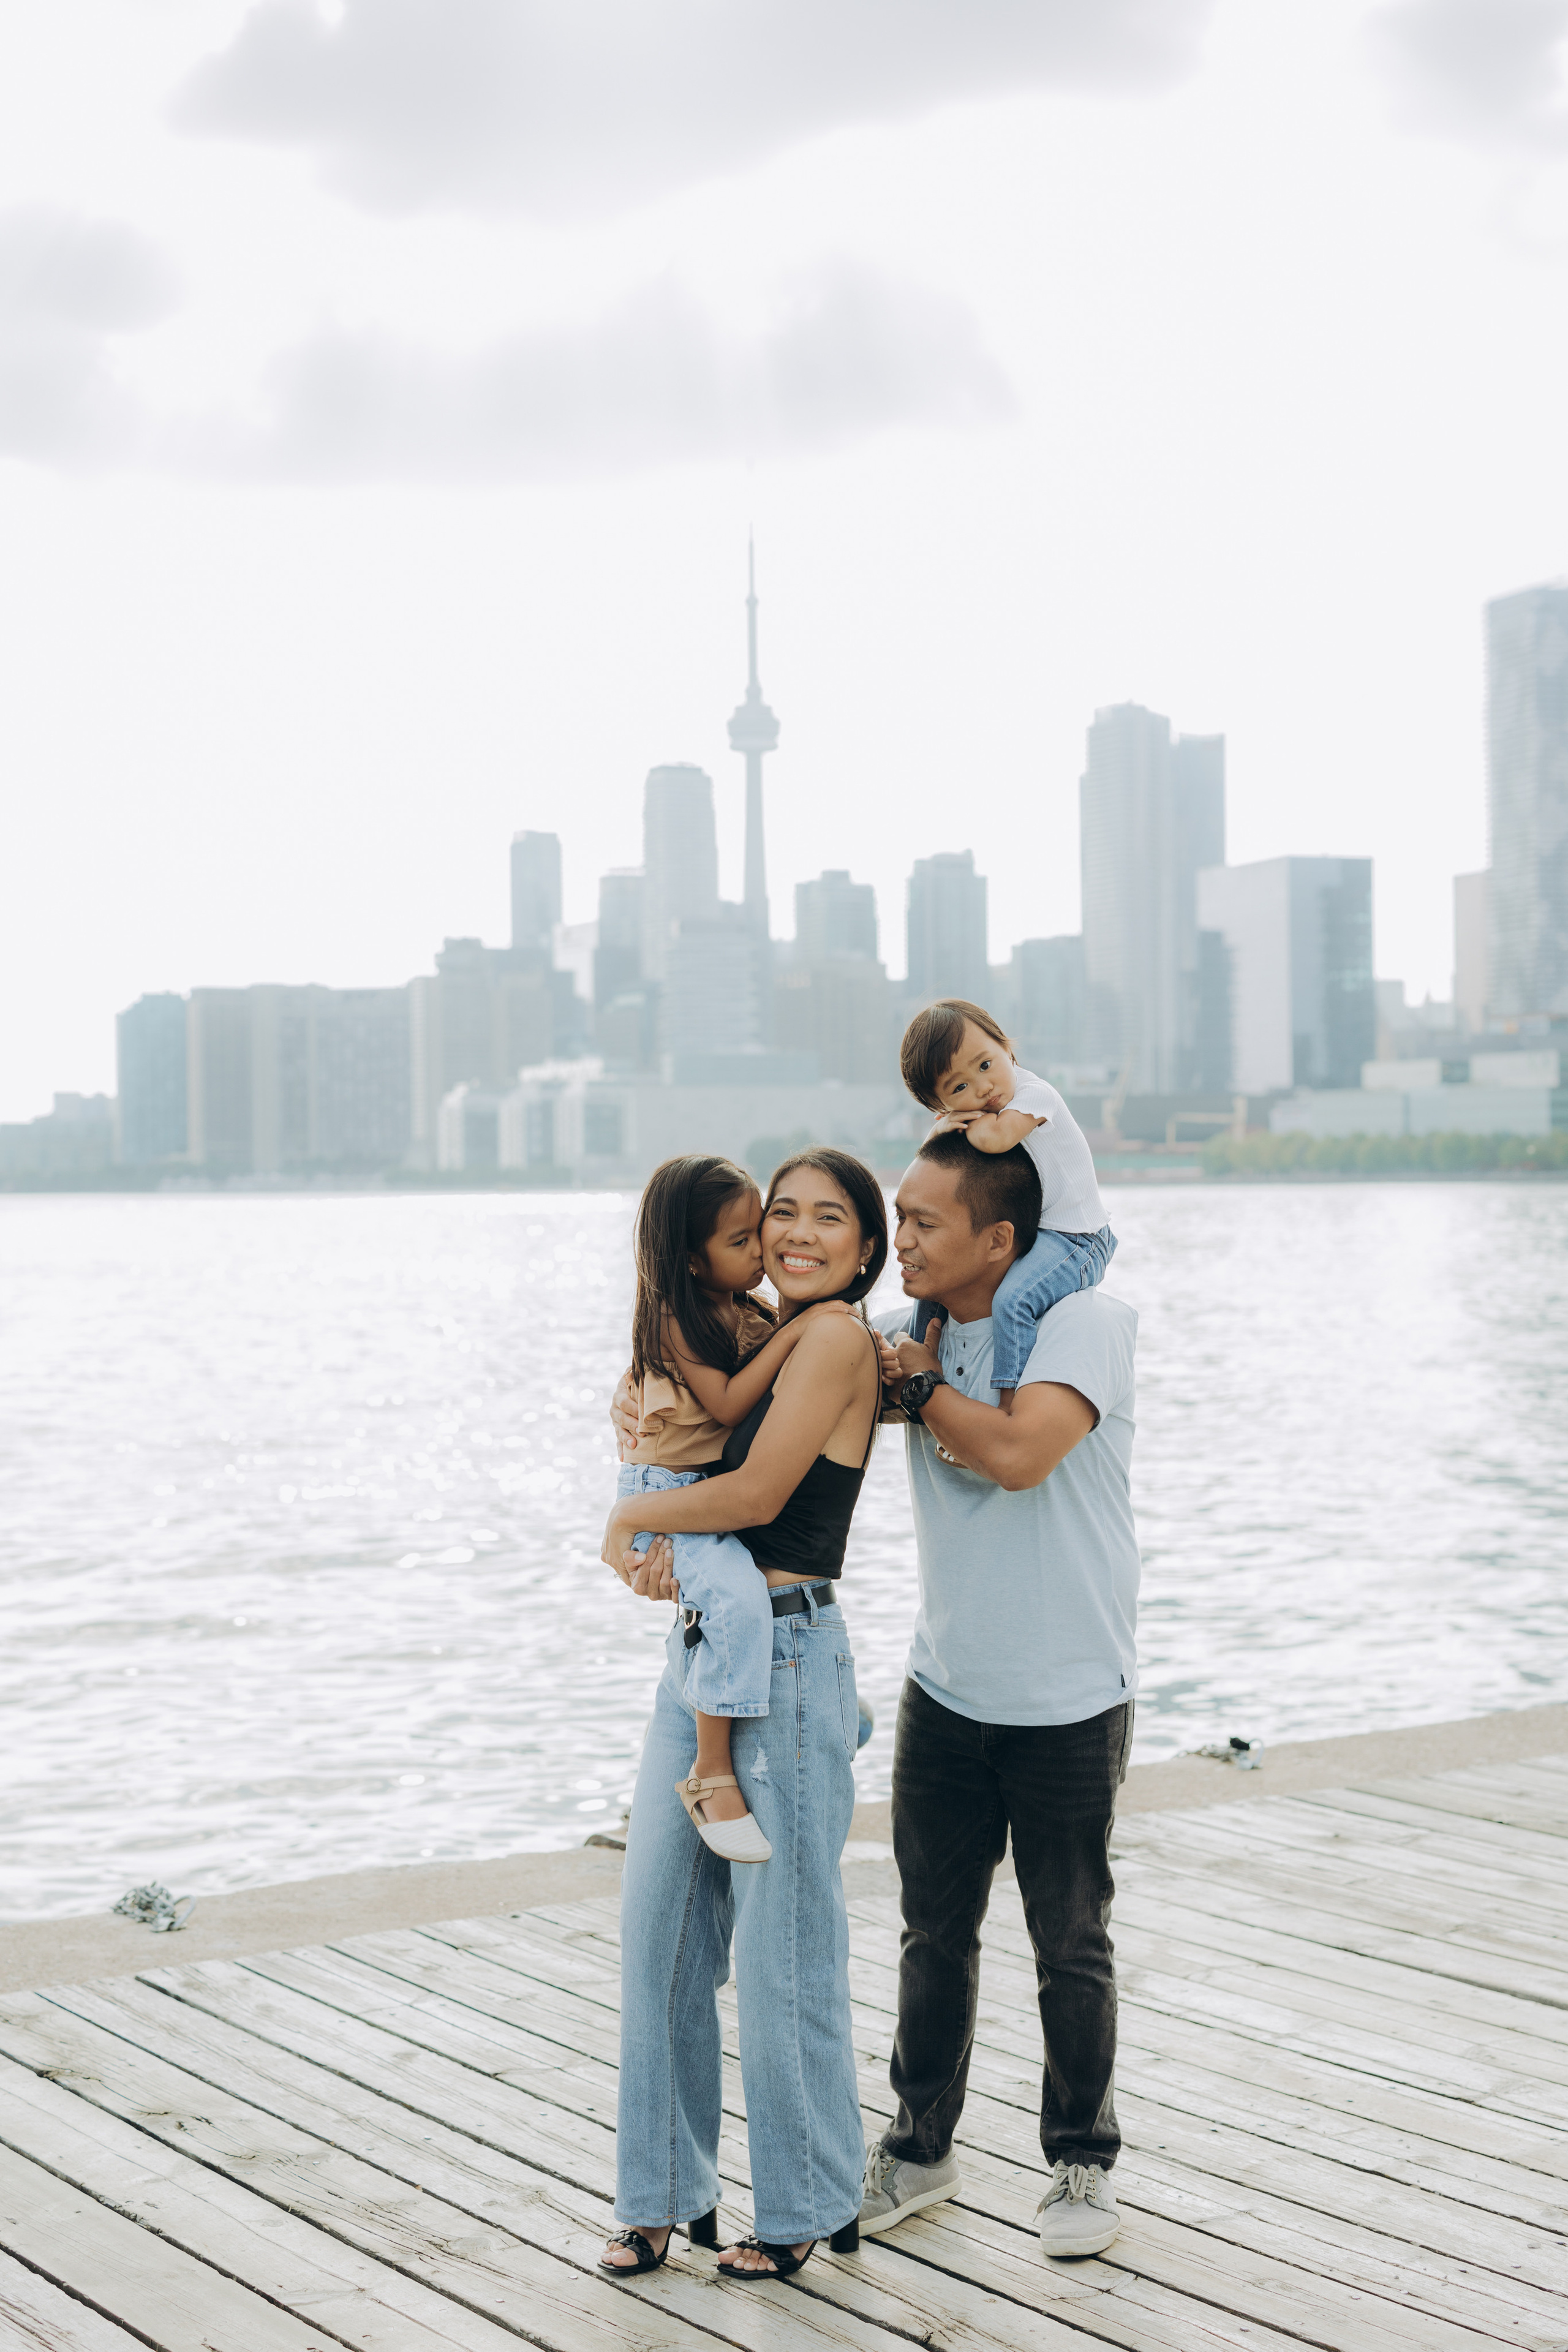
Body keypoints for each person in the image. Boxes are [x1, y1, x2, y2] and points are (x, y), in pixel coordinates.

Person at [598, 1149, 887, 2286]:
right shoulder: (754, 1323)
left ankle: (808, 2203)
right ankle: (661, 2195)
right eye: (781, 1214)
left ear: (864, 1248)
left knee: (784, 1950)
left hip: (796, 1652)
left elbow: (762, 1496)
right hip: (708, 1653)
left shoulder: (829, 1336)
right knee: (659, 1930)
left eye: (829, 1218)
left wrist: (630, 1515)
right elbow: (697, 1439)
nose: (797, 1232)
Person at [859, 1126, 1140, 2261]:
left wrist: (918, 1388)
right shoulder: (896, 1335)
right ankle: (921, 2149)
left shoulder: (1085, 1323)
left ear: (999, 1238)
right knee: (935, 1935)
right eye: (897, 1217)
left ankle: (1080, 2164)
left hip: (1070, 1691)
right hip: (948, 1688)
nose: (901, 1240)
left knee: (1070, 1942)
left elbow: (1022, 1453)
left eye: (924, 1223)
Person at [620, 1154, 854, 1863]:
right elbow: (726, 1403)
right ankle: (711, 1768)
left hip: (695, 1497)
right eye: (742, 1241)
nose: (763, 1251)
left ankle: (815, 1711)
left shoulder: (742, 1312)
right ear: (693, 1261)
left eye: (757, 1232)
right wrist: (796, 1332)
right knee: (736, 1606)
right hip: (666, 1494)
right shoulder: (675, 1318)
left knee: (730, 1604)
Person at [900, 999, 1116, 1399]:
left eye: (985, 1065)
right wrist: (946, 1126)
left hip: (1079, 1239)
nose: (983, 1088)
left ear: (1006, 1047)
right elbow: (931, 1166)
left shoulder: (1036, 1095)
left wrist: (957, 1121)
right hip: (1035, 1235)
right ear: (942, 1104)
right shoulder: (978, 1112)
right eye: (960, 1087)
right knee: (932, 1285)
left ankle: (1008, 1400)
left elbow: (995, 1139)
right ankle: (915, 1373)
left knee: (1014, 1300)